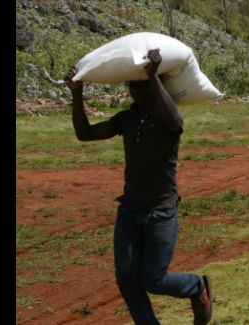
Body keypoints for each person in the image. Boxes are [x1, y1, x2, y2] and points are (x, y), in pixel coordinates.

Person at [64, 49, 212, 325]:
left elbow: (176, 121)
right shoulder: (126, 119)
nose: (136, 90)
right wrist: (77, 92)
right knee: (127, 281)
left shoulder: (168, 119)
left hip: (160, 213)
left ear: (158, 86)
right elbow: (84, 133)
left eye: (141, 84)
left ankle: (196, 287)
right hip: (130, 212)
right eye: (133, 84)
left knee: (153, 279)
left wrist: (152, 76)